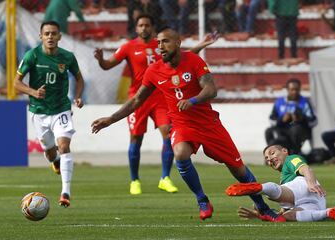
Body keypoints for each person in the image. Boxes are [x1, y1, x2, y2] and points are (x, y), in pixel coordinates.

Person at [91, 26, 281, 221]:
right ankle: (202, 200)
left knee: (239, 170)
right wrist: (111, 119)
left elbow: (211, 89)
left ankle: (263, 208)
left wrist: (193, 100)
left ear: (178, 43)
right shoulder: (154, 70)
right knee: (180, 153)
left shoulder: (194, 61)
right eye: (158, 43)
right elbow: (137, 100)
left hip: (209, 124)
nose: (160, 47)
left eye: (165, 41)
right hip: (182, 125)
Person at [94, 14, 219, 195]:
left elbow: (184, 56)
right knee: (136, 138)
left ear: (152, 27)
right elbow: (107, 66)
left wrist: (201, 45)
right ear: (136, 28)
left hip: (160, 97)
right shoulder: (128, 47)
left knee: (168, 133)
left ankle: (165, 178)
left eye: (147, 25)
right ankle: (134, 180)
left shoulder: (161, 44)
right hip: (138, 97)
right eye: (140, 25)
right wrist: (100, 60)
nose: (143, 28)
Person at [14, 21, 84, 207]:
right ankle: (55, 161)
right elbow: (16, 83)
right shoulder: (32, 55)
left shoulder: (67, 57)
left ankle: (65, 193)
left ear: (60, 36)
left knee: (64, 145)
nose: (50, 37)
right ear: (41, 36)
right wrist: (34, 92)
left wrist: (77, 97)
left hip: (61, 108)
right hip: (39, 111)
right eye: (47, 34)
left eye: (54, 33)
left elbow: (79, 79)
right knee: (50, 150)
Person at [226, 144, 335, 222]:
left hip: (305, 186)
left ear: (284, 151)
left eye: (272, 153)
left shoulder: (290, 159)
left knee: (273, 192)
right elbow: (282, 211)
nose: (270, 159)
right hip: (317, 203)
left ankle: (258, 187)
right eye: (267, 159)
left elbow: (306, 169)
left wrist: (311, 183)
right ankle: (327, 212)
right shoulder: (284, 176)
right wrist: (261, 216)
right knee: (286, 216)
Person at [265, 78, 317, 154]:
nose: (295, 92)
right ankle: (272, 155)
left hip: (300, 130)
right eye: (292, 90)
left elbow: (314, 121)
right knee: (269, 131)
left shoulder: (305, 102)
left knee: (295, 130)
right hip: (283, 129)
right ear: (287, 90)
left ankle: (295, 153)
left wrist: (301, 118)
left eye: (297, 90)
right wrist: (282, 119)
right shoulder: (279, 102)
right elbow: (271, 120)